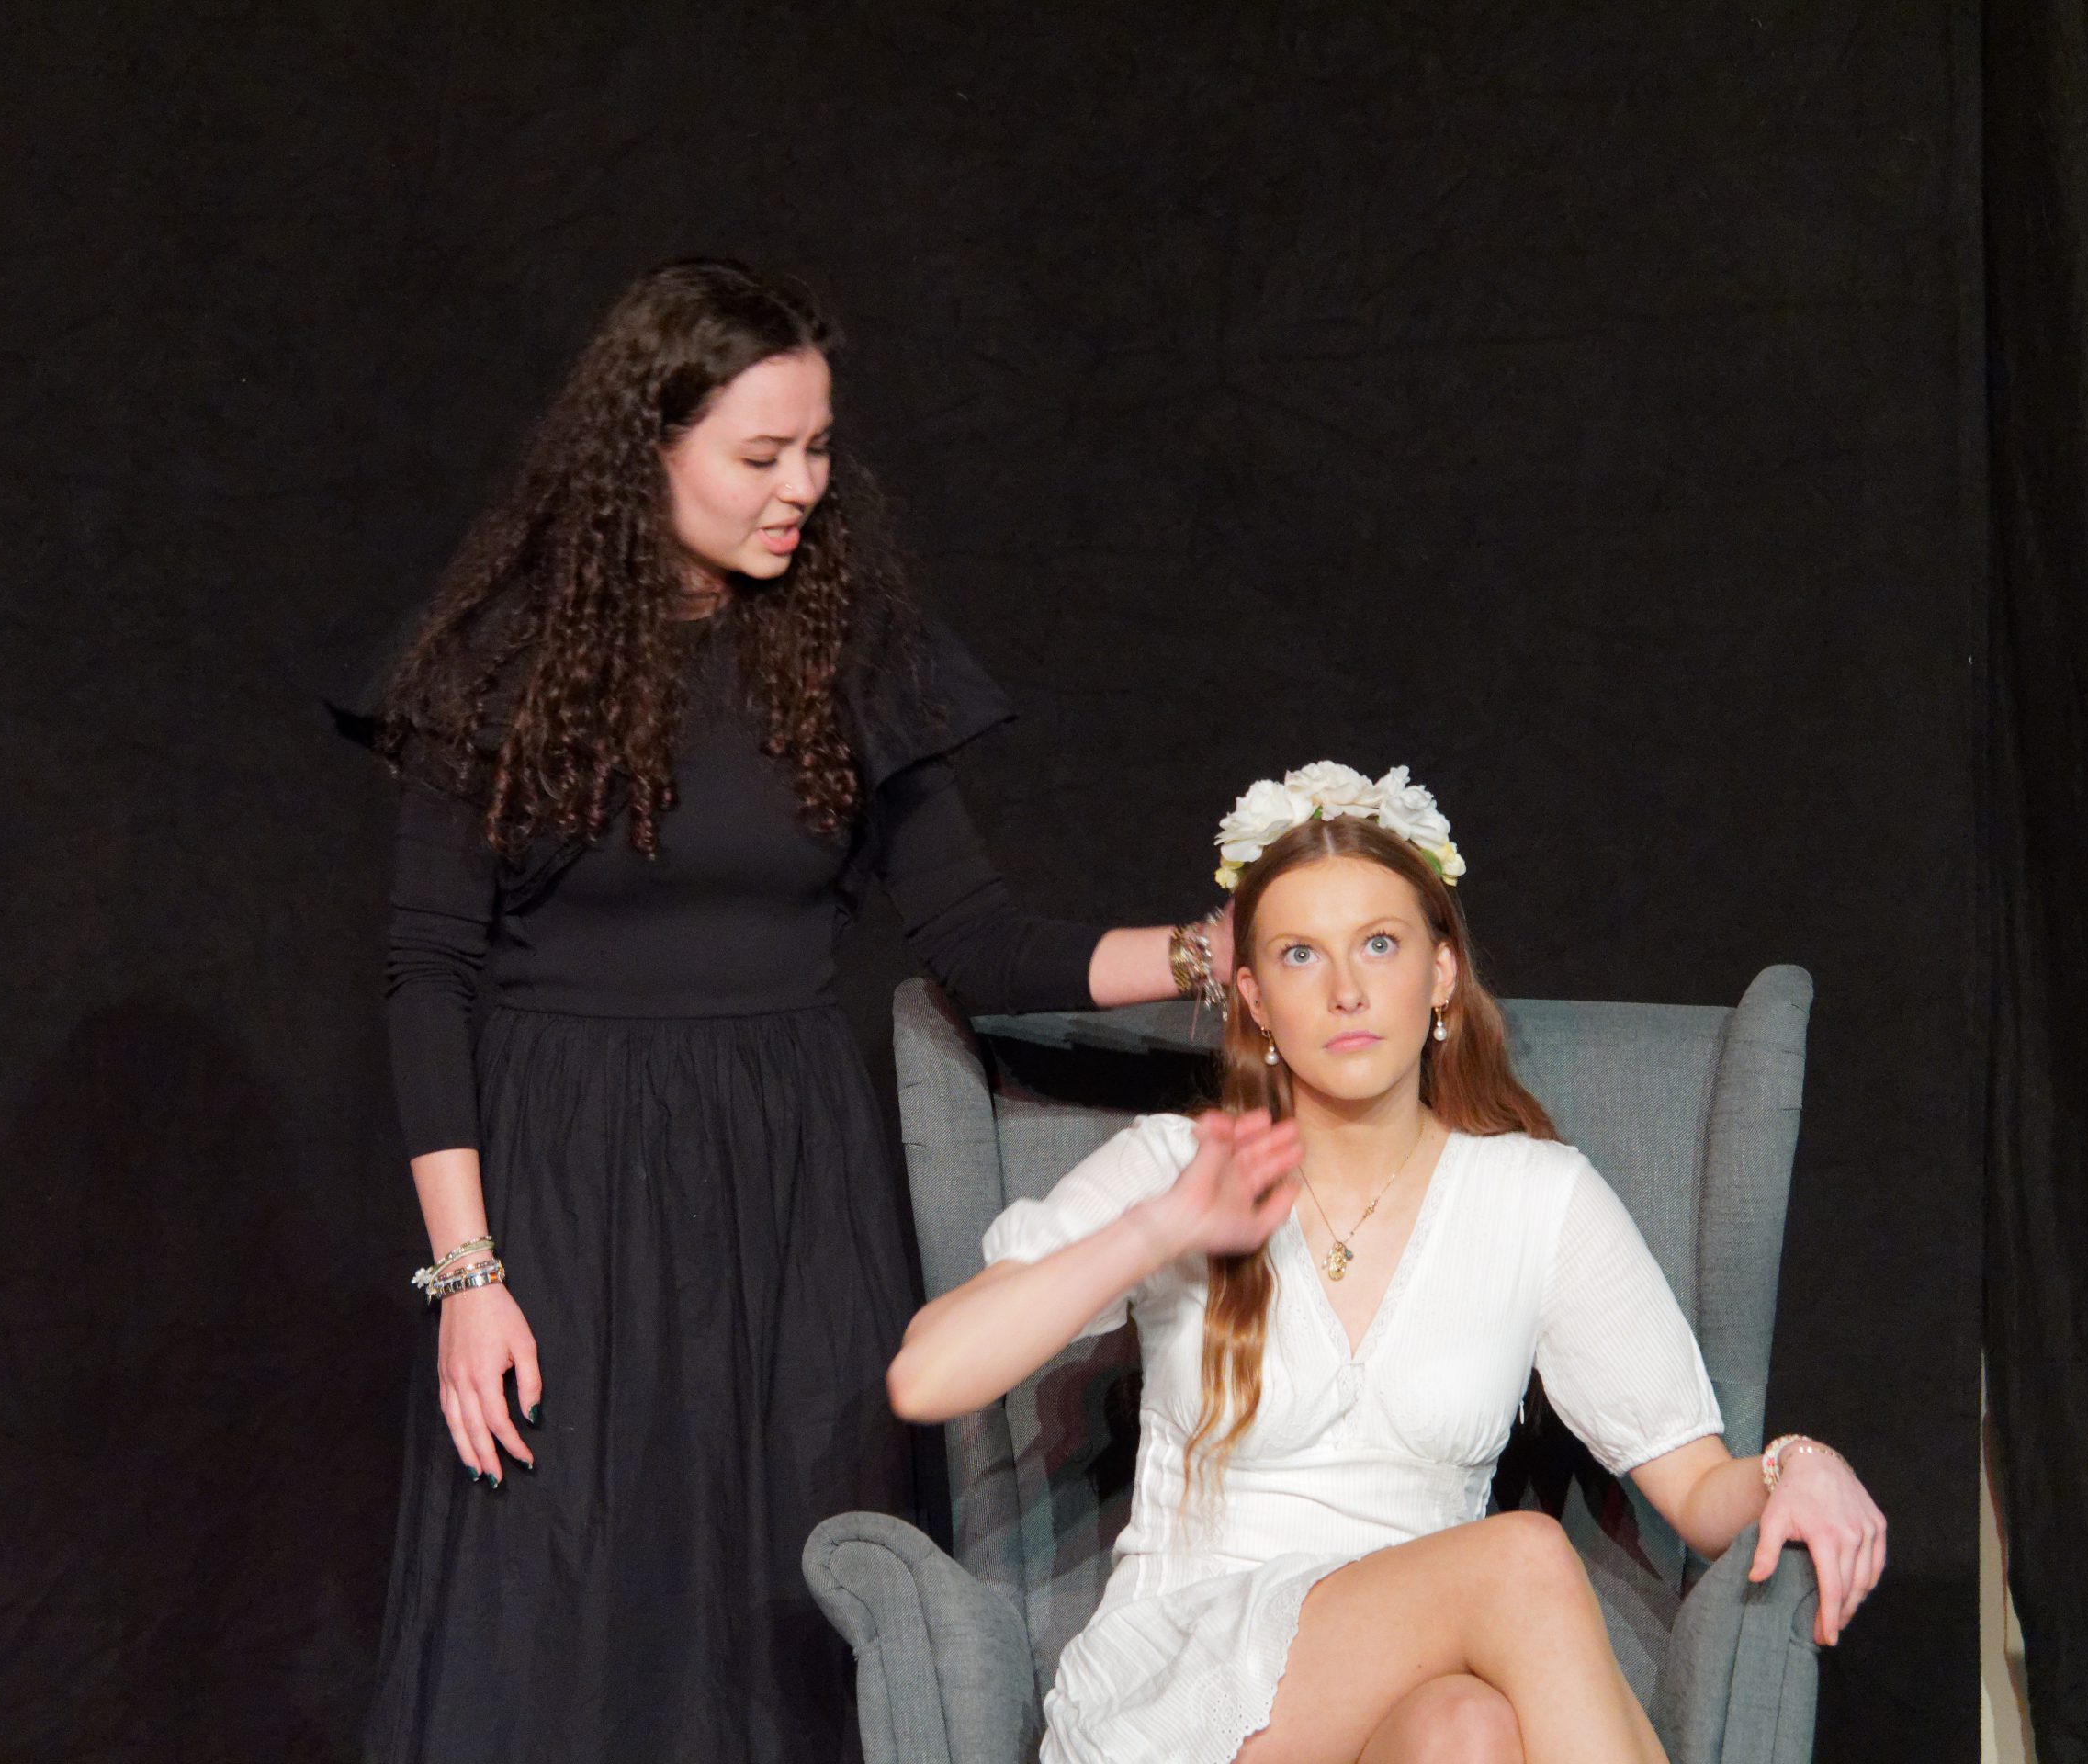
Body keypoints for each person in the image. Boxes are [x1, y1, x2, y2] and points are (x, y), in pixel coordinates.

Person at [333, 259, 1233, 1764]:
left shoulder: (850, 654)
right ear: (646, 446)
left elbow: (983, 945)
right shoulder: (496, 662)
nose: (801, 487)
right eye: (761, 455)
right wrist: (467, 1278)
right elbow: (430, 973)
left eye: (817, 449)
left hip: (791, 1181)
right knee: (561, 1608)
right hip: (565, 1185)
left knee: (786, 1595)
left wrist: (1219, 956)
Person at [887, 763, 1887, 1764]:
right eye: (1300, 955)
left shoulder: (1536, 1197)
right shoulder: (1181, 1165)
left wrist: (1801, 1467)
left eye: (1379, 943)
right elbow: (929, 1376)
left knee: (1470, 1728)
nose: (1347, 991)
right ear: (1254, 997)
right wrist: (1158, 1228)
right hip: (1186, 1683)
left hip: (1411, 1688)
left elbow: (1700, 1488)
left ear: (1441, 972)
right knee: (1521, 1560)